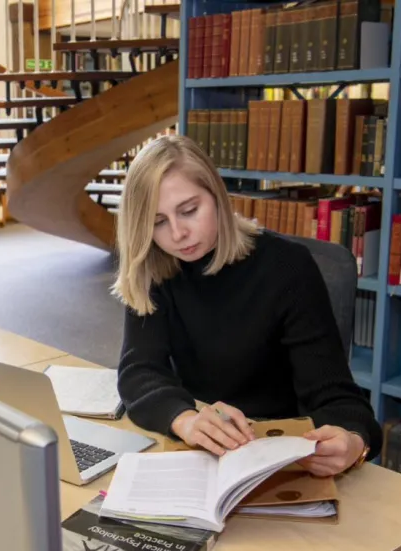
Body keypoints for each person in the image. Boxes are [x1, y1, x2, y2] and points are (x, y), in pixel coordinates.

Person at [112, 134, 382, 477]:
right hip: (198, 449)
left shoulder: (288, 267)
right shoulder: (155, 267)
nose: (178, 233)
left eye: (190, 210)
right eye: (158, 222)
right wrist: (185, 420)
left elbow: (336, 395)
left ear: (218, 196)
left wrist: (354, 441)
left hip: (278, 451)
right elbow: (140, 372)